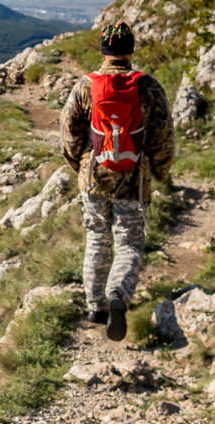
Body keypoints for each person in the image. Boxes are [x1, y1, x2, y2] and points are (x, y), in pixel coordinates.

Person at [61, 21, 175, 341]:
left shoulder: (86, 86)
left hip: (93, 177)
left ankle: (95, 306)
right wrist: (161, 171)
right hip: (134, 180)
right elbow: (162, 135)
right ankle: (117, 297)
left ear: (104, 50)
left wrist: (80, 167)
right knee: (128, 242)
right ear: (130, 51)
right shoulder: (148, 86)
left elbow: (69, 135)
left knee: (97, 237)